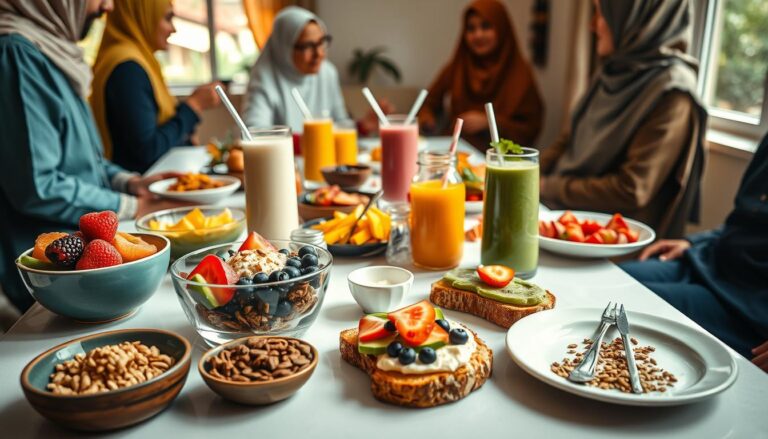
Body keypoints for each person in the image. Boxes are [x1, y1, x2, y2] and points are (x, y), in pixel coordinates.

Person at [0, 0, 184, 312]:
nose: (108, 7)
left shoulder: (52, 49)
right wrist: (129, 205)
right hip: (53, 273)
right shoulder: (19, 54)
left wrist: (129, 182)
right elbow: (37, 186)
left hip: (87, 258)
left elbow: (83, 158)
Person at [539, 0, 707, 239]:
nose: (592, 25)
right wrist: (528, 172)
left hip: (613, 237)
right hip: (560, 212)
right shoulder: (613, 70)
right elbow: (570, 138)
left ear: (637, 19)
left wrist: (547, 186)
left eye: (601, 14)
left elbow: (631, 190)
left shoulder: (672, 92)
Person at [620, 131, 768, 366]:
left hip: (745, 302)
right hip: (709, 258)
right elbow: (744, 220)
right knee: (609, 280)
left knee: (623, 302)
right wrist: (693, 241)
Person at [90, 0, 221, 174]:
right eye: (167, 18)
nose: (173, 29)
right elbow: (147, 151)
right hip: (139, 193)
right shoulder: (127, 69)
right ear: (141, 16)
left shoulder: (139, 61)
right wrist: (193, 107)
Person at [418, 0, 544, 151]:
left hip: (501, 159)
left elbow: (530, 128)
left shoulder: (520, 74)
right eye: (471, 28)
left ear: (502, 29)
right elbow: (429, 102)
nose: (478, 35)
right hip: (455, 152)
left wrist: (489, 123)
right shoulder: (458, 66)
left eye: (486, 26)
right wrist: (427, 119)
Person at [243, 7, 349, 133]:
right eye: (307, 46)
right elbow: (256, 133)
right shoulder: (264, 78)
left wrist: (363, 126)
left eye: (321, 42)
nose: (319, 53)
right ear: (284, 48)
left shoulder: (327, 72)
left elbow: (341, 124)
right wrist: (309, 140)